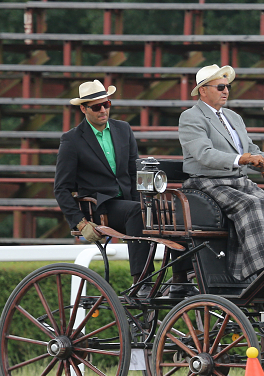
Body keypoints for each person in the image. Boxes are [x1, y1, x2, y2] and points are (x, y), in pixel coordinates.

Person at [54, 80, 192, 297]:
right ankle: (142, 282)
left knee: (175, 208)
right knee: (137, 212)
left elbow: (134, 172)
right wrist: (80, 223)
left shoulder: (123, 129)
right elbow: (61, 188)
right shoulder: (71, 140)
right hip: (101, 207)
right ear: (83, 109)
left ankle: (180, 279)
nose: (103, 110)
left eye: (106, 104)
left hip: (130, 201)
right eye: (96, 107)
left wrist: (153, 197)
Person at [178, 64, 264, 281]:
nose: (226, 91)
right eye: (220, 87)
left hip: (239, 181)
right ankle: (263, 268)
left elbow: (252, 152)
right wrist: (240, 159)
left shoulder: (234, 118)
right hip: (208, 183)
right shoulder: (191, 117)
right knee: (252, 204)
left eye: (227, 86)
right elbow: (204, 154)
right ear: (203, 90)